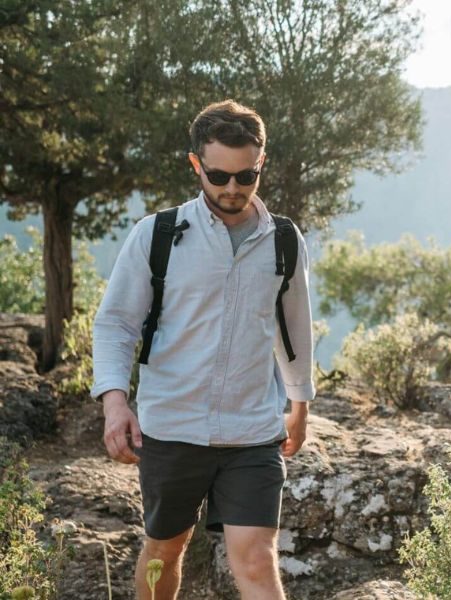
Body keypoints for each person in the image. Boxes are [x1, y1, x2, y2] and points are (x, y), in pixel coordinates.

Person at [90, 99, 315, 600]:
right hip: (172, 427)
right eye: (218, 176)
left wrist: (299, 403)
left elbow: (294, 328)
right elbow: (115, 325)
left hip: (252, 430)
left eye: (246, 177)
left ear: (261, 164)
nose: (232, 189)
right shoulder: (157, 236)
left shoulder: (283, 240)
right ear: (196, 165)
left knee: (257, 559)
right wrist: (114, 402)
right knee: (165, 552)